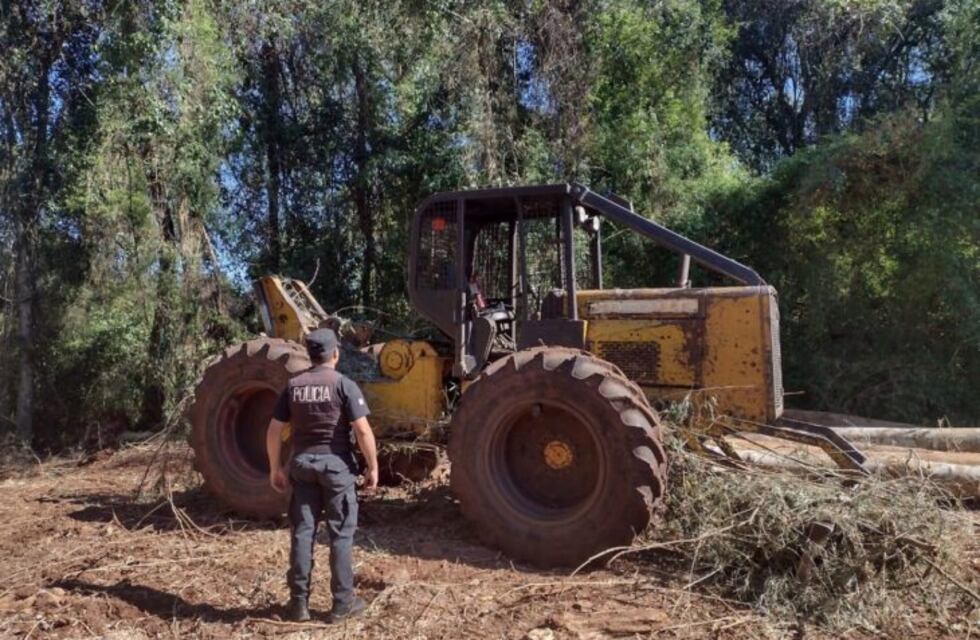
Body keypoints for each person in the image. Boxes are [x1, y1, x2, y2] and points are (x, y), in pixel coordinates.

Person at [265, 328, 379, 623]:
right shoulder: (344, 385)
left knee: (303, 533)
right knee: (341, 536)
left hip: (302, 467)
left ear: (310, 355)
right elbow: (363, 430)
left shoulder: (294, 386)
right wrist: (373, 467)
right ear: (336, 354)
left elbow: (274, 430)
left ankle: (298, 604)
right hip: (337, 469)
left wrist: (275, 467)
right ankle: (342, 604)